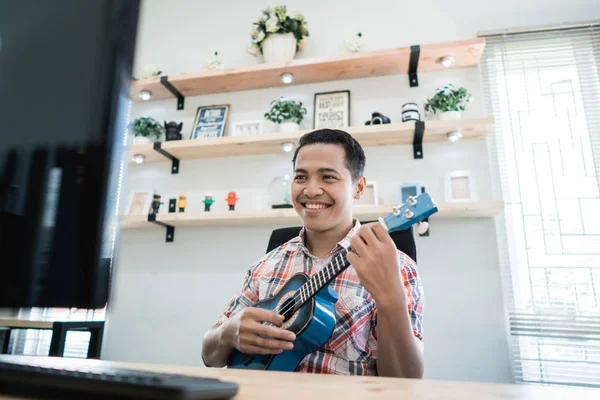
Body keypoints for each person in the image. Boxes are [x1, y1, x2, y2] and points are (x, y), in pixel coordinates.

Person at [202, 129, 424, 377]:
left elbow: (406, 381)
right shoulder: (265, 265)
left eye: (328, 177)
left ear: (358, 188)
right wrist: (227, 333)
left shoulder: (396, 266)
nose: (311, 190)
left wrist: (391, 299)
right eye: (301, 177)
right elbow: (210, 356)